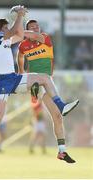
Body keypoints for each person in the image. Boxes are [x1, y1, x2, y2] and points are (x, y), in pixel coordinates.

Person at [0, 7, 78, 167]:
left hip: (14, 78)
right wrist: (19, 16)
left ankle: (61, 107)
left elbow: (18, 34)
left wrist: (19, 20)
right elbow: (15, 32)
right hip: (1, 81)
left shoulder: (14, 39)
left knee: (46, 79)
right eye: (4, 27)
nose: (6, 29)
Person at [17, 19, 79, 162]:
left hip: (48, 83)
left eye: (36, 26)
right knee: (42, 81)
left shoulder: (44, 37)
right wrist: (21, 71)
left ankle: (62, 151)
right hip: (36, 79)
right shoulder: (23, 45)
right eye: (31, 27)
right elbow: (20, 56)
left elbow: (29, 38)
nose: (35, 28)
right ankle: (37, 95)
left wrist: (18, 31)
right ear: (27, 32)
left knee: (57, 117)